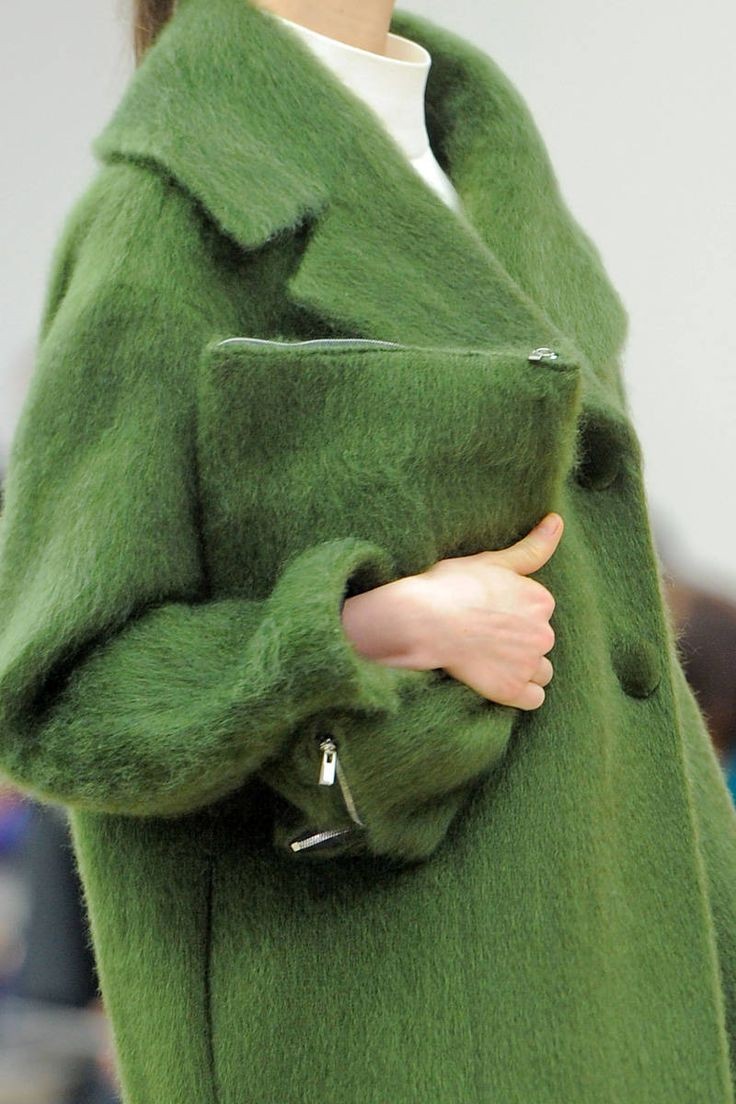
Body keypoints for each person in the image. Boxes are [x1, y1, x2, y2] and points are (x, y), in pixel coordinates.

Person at [1, 0, 734, 1101]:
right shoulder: (173, 210)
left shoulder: (481, 162)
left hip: (617, 968)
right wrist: (360, 628)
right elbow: (56, 691)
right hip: (370, 1021)